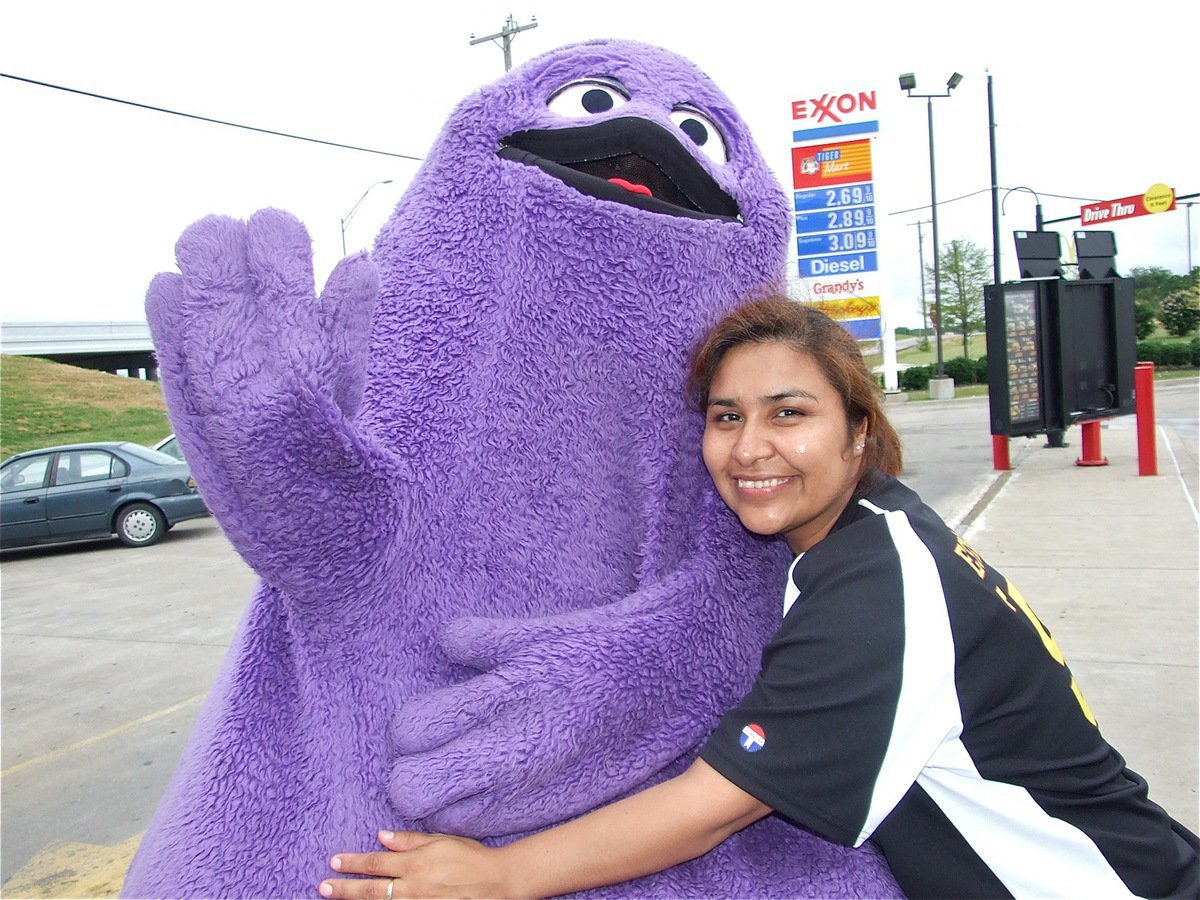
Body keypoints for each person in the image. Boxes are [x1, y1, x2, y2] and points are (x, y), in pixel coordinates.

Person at [318, 297, 1199, 899]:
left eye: (788, 413)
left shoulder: (875, 592)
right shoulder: (873, 523)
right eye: (726, 416)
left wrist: (501, 875)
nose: (749, 448)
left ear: (858, 430)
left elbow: (715, 807)